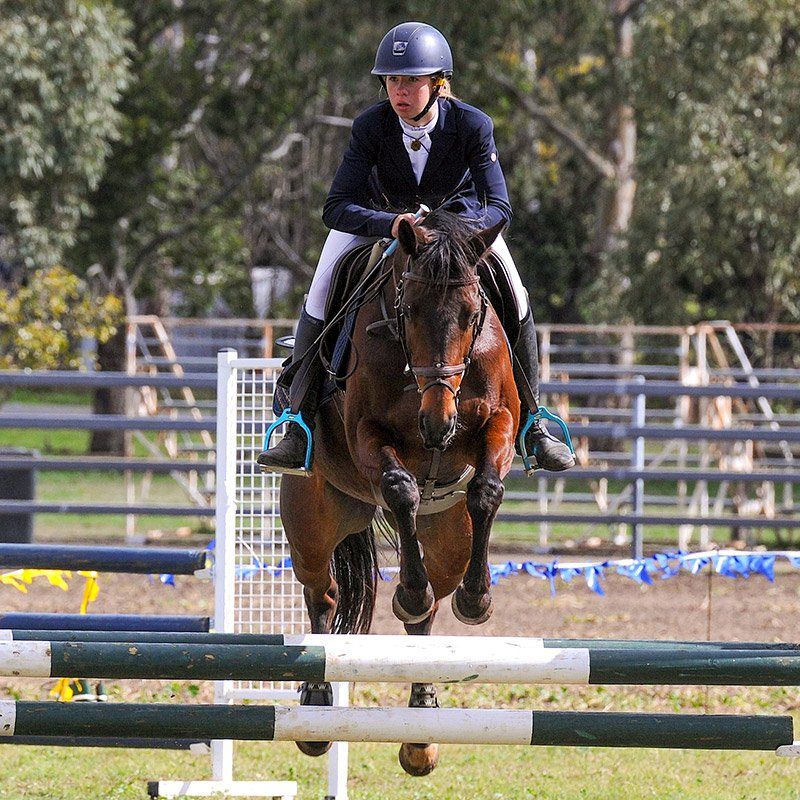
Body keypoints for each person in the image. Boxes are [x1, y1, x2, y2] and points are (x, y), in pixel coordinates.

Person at [258, 21, 575, 475]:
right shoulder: (371, 126)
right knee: (323, 281)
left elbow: (499, 205)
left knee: (517, 293)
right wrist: (392, 223)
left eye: (410, 80)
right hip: (383, 222)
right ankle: (298, 423)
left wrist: (453, 232)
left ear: (438, 83)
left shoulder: (471, 124)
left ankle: (534, 424)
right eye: (391, 80)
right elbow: (336, 207)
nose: (398, 91)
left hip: (459, 232)